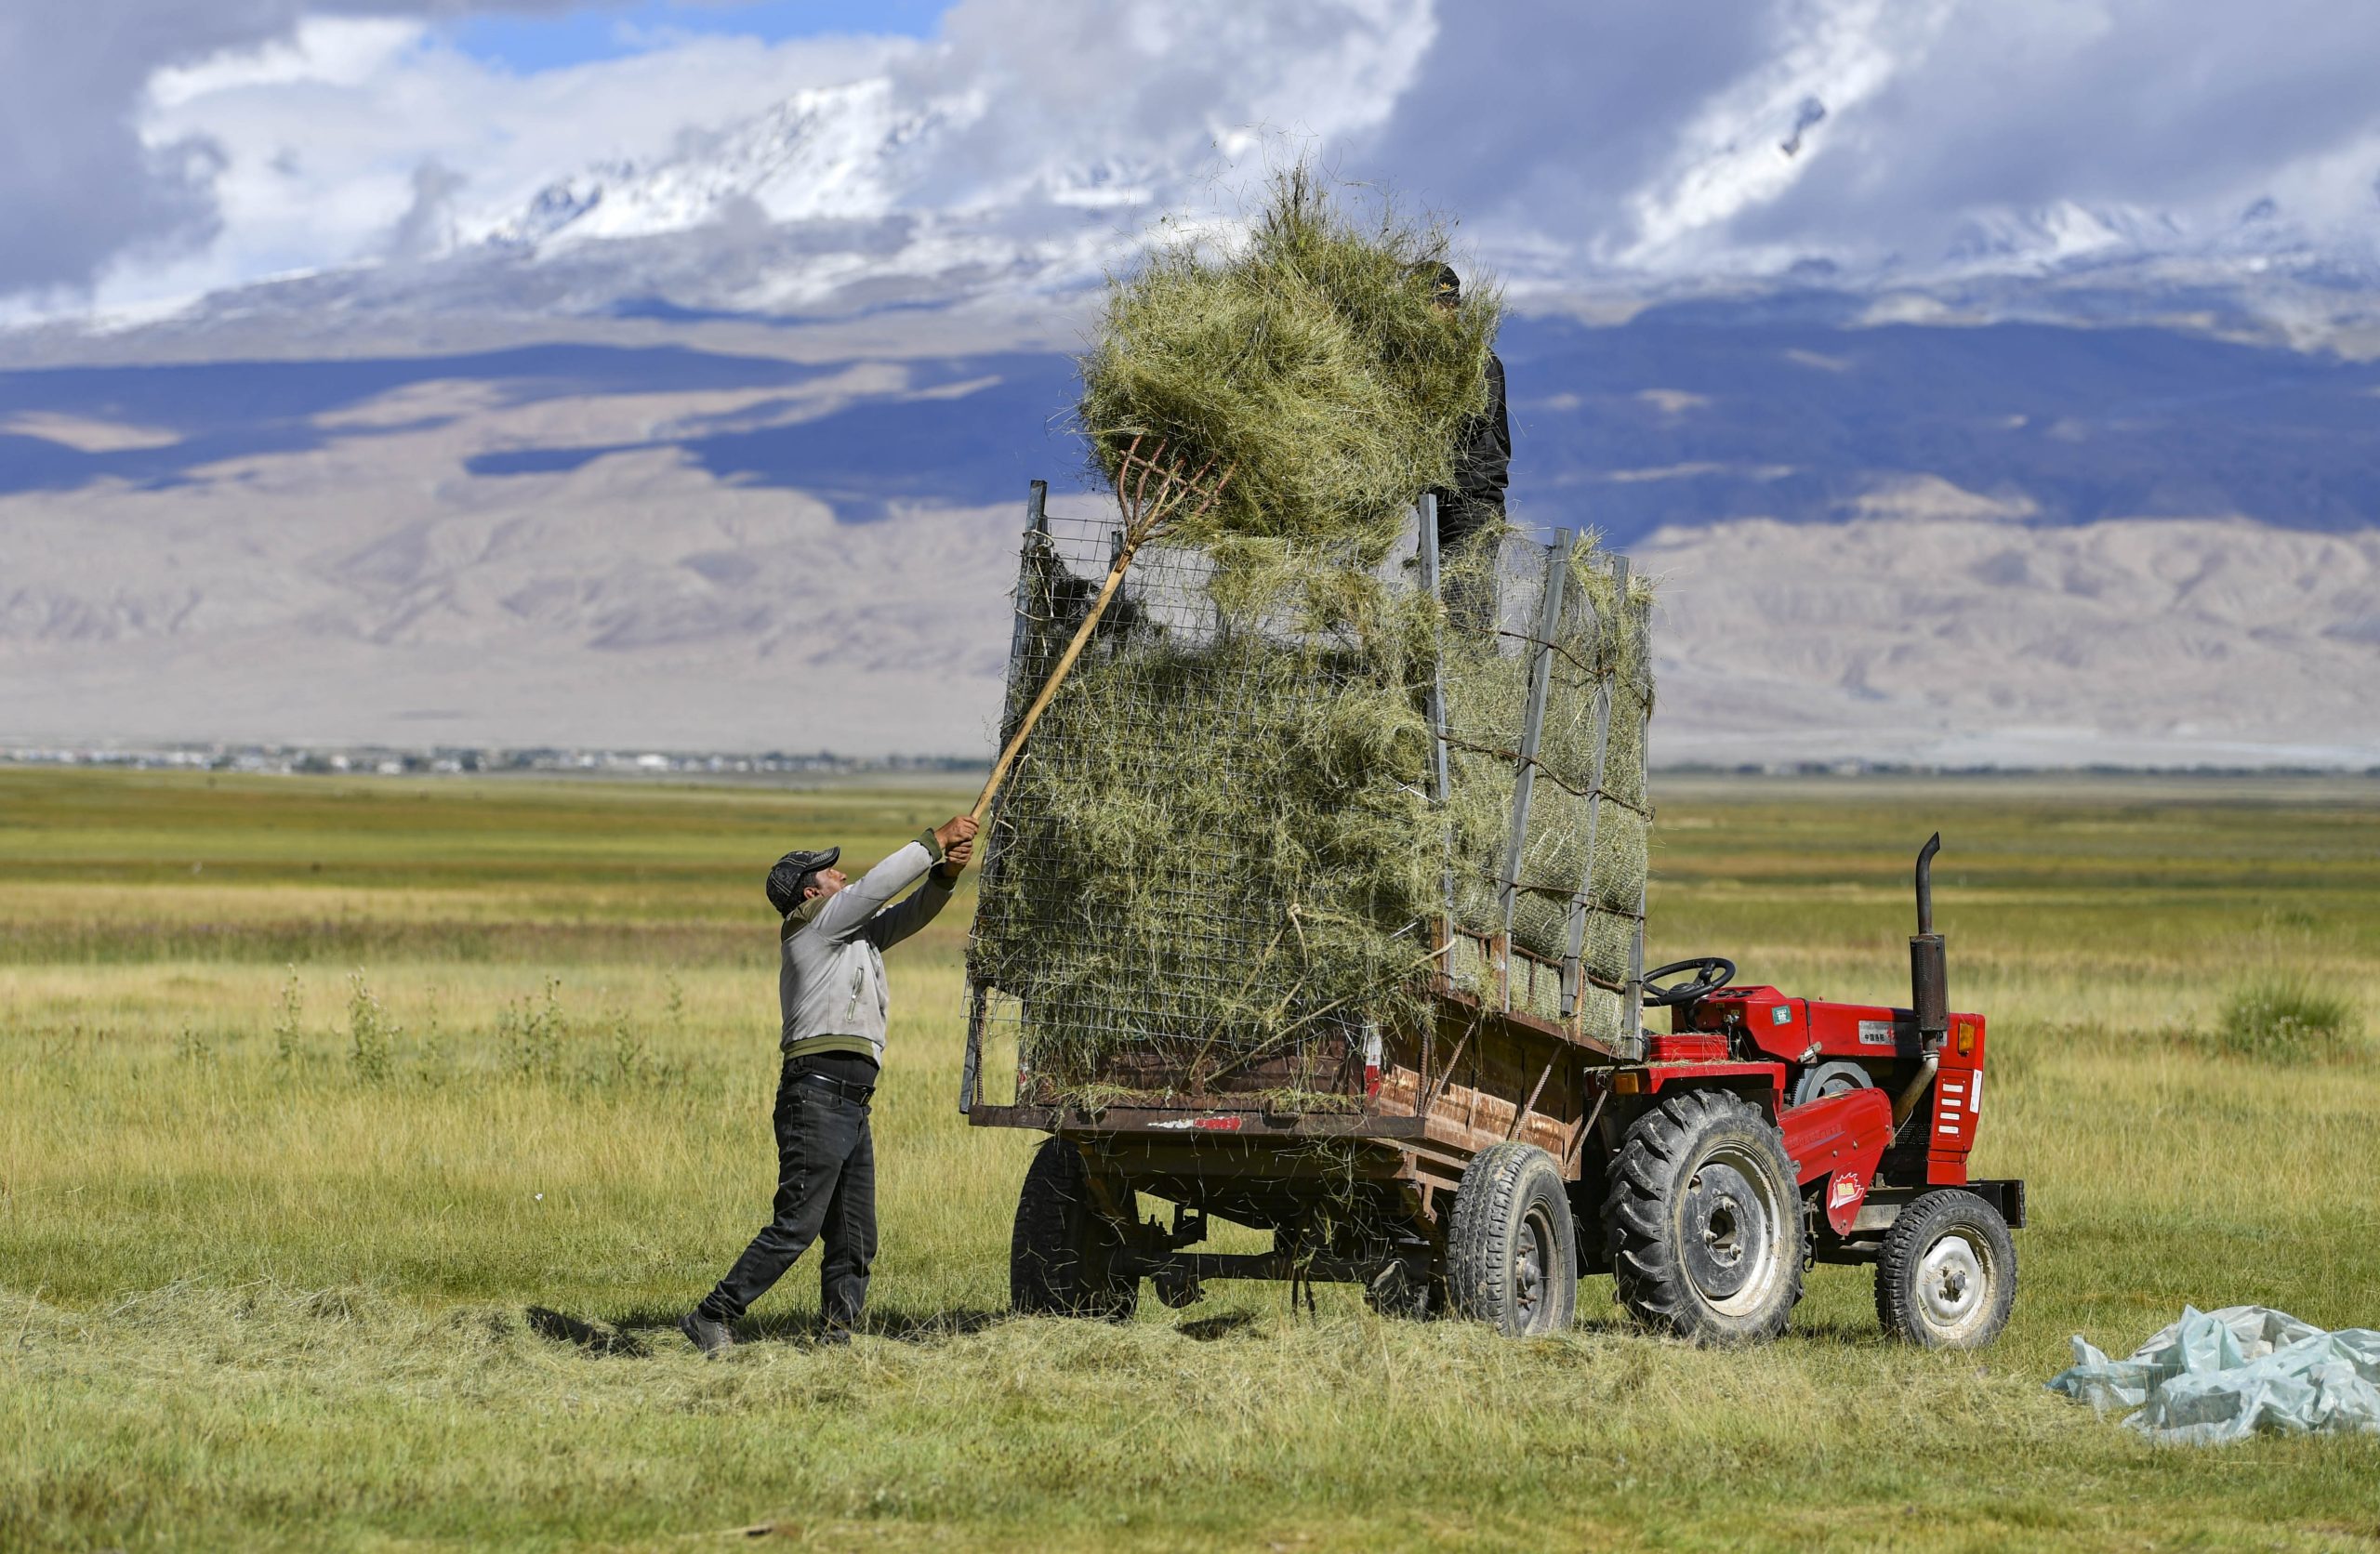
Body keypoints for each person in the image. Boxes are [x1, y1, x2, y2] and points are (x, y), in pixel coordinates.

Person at [680, 814, 978, 1354]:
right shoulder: (815, 924)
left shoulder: (849, 935)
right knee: (796, 1225)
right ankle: (711, 1314)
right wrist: (934, 842)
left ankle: (838, 1339)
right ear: (811, 891)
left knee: (856, 1235)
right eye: (831, 873)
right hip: (816, 1094)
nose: (842, 875)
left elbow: (908, 914)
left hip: (850, 1100)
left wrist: (943, 878)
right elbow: (874, 890)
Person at [1423, 262, 1511, 633]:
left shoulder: (1476, 363)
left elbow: (1471, 419)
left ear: (1449, 308)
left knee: (1464, 614)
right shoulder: (1426, 364)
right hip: (1437, 505)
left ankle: (1472, 685)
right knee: (1429, 609)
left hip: (1473, 506)